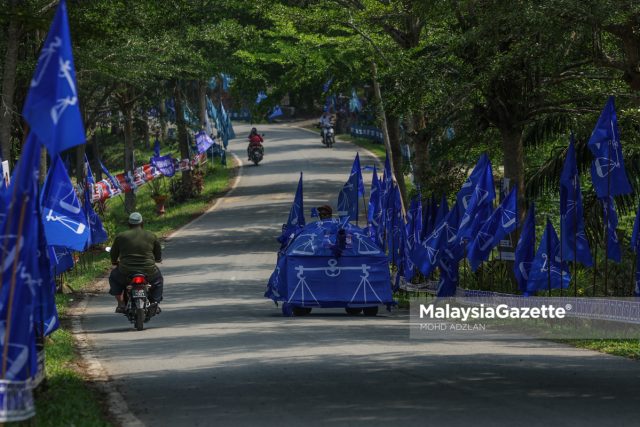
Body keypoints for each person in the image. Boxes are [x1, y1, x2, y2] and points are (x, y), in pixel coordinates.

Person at [109, 212, 163, 313]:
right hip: (148, 270)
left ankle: (120, 303)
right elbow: (158, 252)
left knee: (113, 277)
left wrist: (114, 261)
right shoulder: (151, 235)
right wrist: (158, 259)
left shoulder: (121, 236)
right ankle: (155, 302)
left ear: (129, 224)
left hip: (125, 271)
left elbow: (113, 252)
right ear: (142, 223)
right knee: (158, 280)